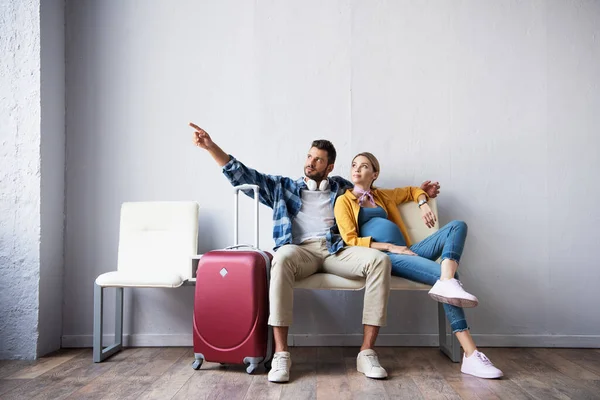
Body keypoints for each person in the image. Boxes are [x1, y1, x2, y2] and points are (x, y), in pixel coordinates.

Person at [190, 123, 441, 382]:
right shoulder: (282, 187)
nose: (311, 163)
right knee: (282, 258)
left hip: (336, 250)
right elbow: (241, 174)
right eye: (310, 157)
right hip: (300, 251)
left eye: (318, 160)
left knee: (379, 260)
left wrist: (421, 196)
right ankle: (281, 355)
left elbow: (377, 192)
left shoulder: (342, 188)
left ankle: (366, 353)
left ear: (329, 167)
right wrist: (211, 147)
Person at [334, 152, 504, 379]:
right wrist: (392, 248)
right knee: (448, 278)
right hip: (385, 258)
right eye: (354, 165)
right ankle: (471, 354)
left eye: (364, 166)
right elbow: (350, 239)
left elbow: (413, 191)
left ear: (374, 174)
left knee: (457, 226)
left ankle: (447, 281)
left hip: (409, 250)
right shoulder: (343, 200)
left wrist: (423, 203)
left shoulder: (383, 195)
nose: (356, 169)